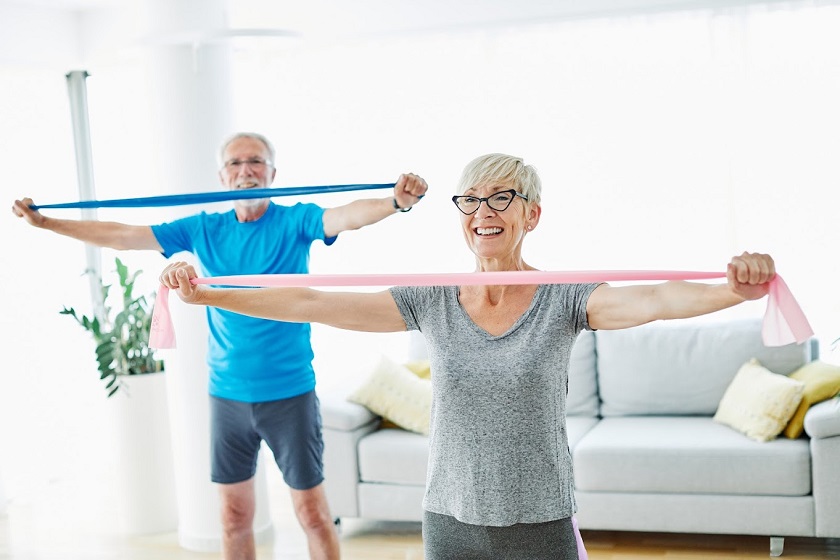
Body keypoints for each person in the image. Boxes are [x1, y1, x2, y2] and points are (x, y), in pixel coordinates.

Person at [157, 152, 778, 560]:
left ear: (531, 215)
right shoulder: (431, 300)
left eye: (501, 199)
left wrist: (735, 287)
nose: (483, 212)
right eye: (471, 201)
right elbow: (312, 302)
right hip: (450, 520)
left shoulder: (563, 298)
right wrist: (206, 293)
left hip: (540, 520)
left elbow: (657, 300)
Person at [12, 131, 428, 560]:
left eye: (255, 161)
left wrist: (394, 203)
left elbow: (345, 216)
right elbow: (123, 235)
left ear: (272, 172)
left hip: (290, 394)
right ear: (222, 176)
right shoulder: (205, 228)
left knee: (314, 515)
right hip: (227, 396)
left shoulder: (294, 220)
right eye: (235, 163)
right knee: (232, 517)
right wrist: (46, 223)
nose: (246, 170)